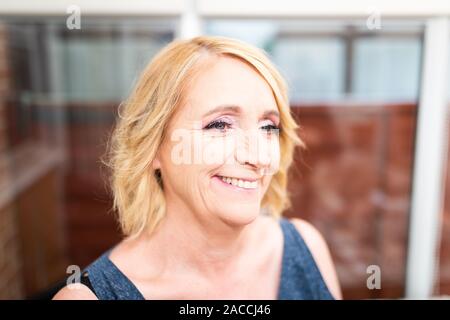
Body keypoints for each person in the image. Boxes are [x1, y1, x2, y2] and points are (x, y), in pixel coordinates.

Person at [53, 36, 342, 300]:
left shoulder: (306, 247)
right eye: (220, 125)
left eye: (268, 127)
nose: (258, 157)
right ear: (153, 146)